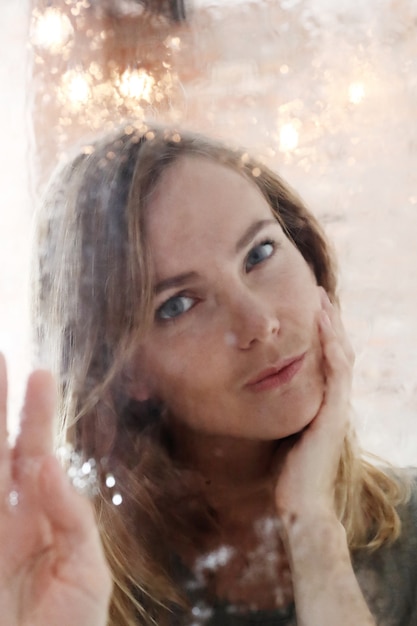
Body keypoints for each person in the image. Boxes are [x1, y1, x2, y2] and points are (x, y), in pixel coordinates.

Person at [1, 124, 416, 626]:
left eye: (259, 253)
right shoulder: (67, 579)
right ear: (124, 375)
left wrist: (313, 527)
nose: (259, 323)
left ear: (309, 258)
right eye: (178, 304)